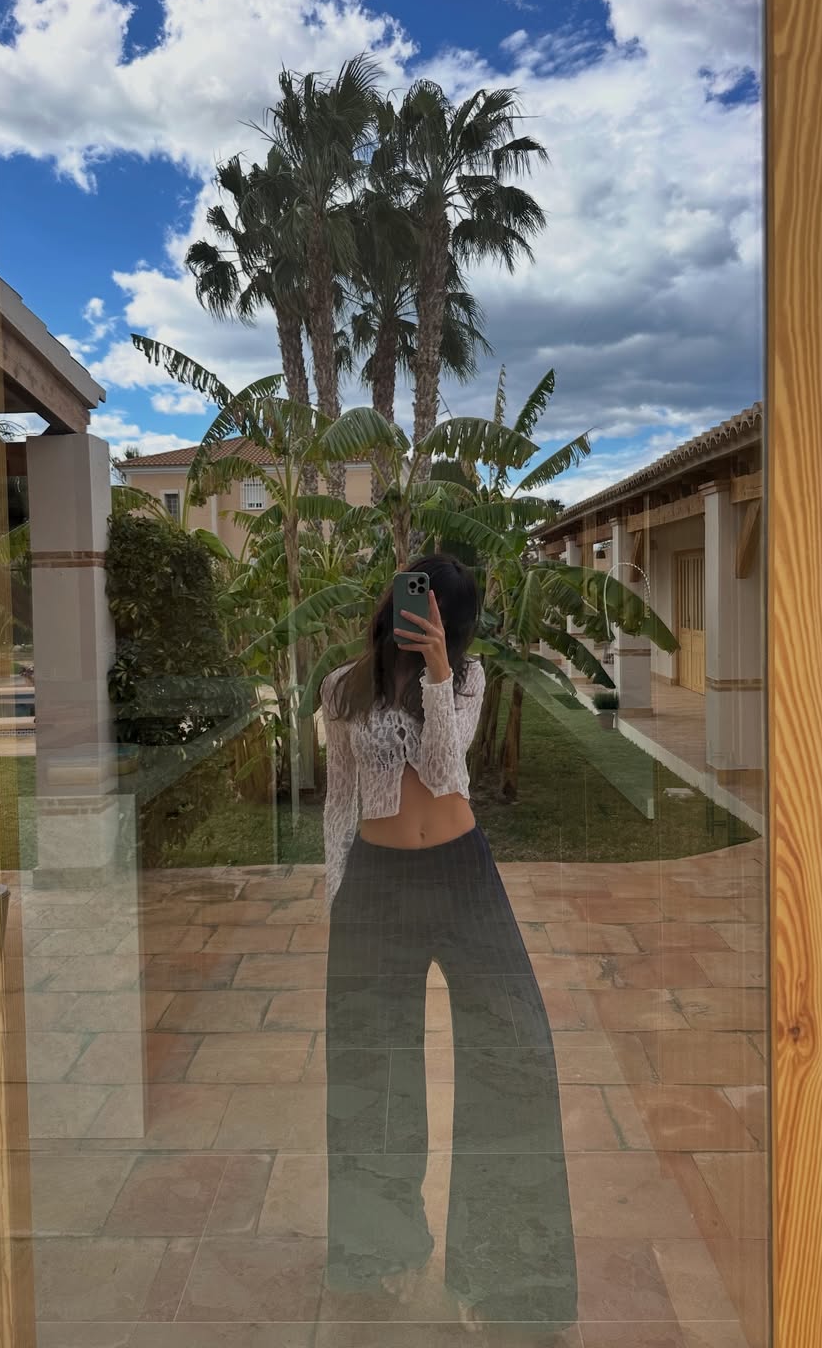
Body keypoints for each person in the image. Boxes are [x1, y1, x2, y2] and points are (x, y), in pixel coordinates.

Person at [320, 554, 577, 1333]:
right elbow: (339, 797)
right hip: (377, 885)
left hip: (463, 874)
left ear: (455, 627)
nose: (427, 621)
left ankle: (506, 1269)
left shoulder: (464, 681)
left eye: (443, 618)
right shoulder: (342, 688)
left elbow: (445, 771)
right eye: (417, 606)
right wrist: (339, 893)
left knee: (516, 1049)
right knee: (371, 1066)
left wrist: (436, 672)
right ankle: (381, 1247)